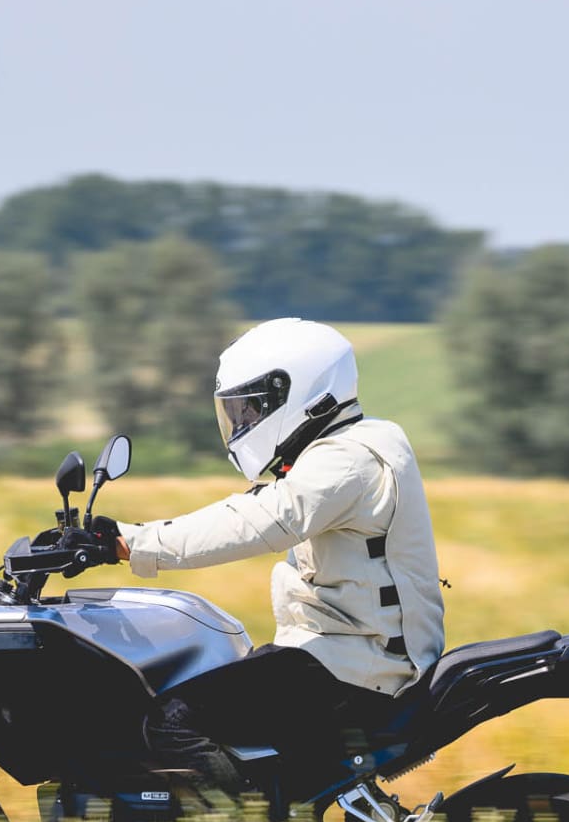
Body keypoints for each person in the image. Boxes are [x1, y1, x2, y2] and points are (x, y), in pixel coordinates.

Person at [101, 317, 446, 792]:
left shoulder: (346, 462)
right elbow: (256, 505)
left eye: (250, 410)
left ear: (301, 392)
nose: (242, 424)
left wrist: (131, 544)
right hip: (342, 651)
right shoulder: (348, 446)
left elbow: (260, 520)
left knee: (173, 722)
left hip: (358, 668)